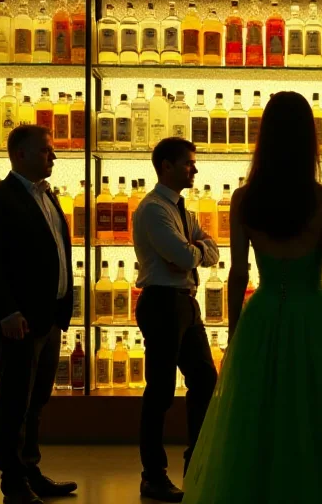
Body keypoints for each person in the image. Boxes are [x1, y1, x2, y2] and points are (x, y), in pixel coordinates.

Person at [181, 91, 322, 503]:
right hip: (313, 315)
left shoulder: (245, 199)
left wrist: (235, 335)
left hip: (262, 318)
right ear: (310, 138)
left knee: (257, 419)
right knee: (317, 420)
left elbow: (238, 275)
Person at [0, 125, 78, 504]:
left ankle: (31, 471)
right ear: (20, 154)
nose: (54, 157)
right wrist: (7, 311)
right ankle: (13, 484)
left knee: (36, 402)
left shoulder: (49, 198)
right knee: (15, 402)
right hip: (19, 321)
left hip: (48, 319)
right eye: (46, 151)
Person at [132, 137, 220, 503]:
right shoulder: (153, 209)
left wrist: (193, 251)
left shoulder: (184, 210)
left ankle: (194, 463)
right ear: (165, 166)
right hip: (162, 302)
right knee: (161, 391)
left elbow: (207, 251)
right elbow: (184, 257)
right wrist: (194, 251)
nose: (194, 169)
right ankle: (153, 475)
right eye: (187, 163)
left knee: (205, 381)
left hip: (184, 302)